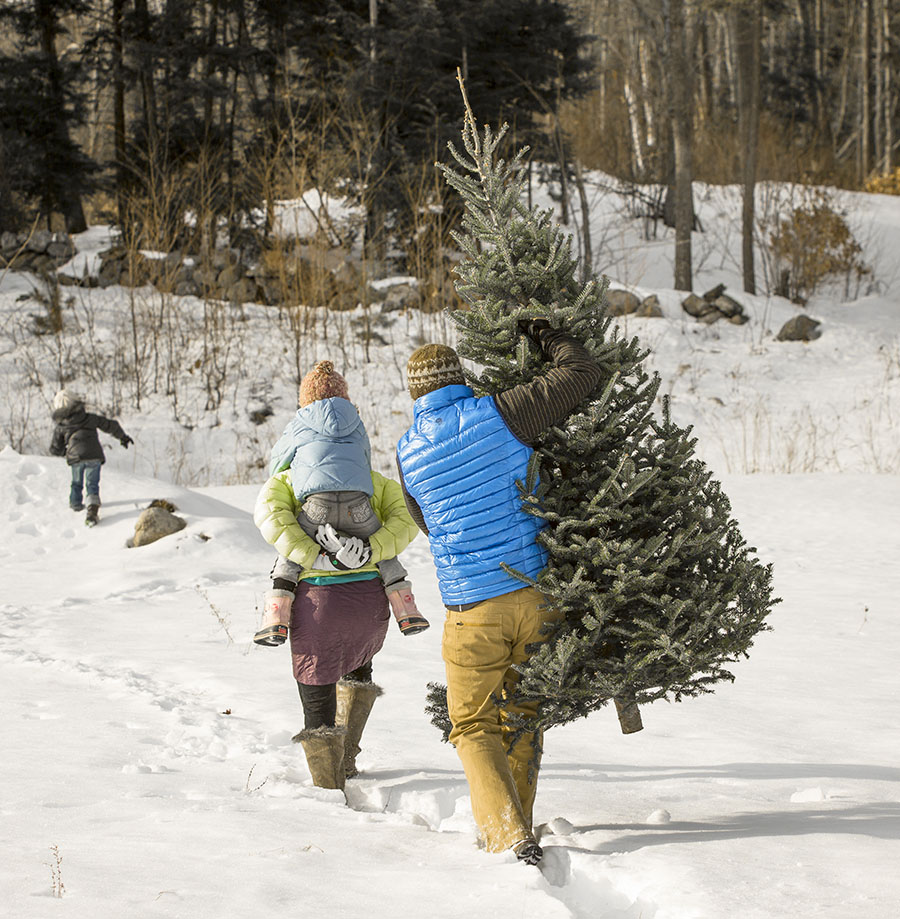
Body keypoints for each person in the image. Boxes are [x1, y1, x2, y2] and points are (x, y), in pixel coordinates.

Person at [395, 321, 602, 865]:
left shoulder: (407, 452)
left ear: (415, 394)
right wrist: (548, 335)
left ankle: (508, 837)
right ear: (459, 379)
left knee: (472, 722)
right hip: (536, 598)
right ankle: (520, 829)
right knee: (524, 712)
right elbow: (582, 374)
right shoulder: (502, 412)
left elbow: (425, 522)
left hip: (471, 608)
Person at [253, 384, 419, 791]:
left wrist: (312, 555)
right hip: (370, 603)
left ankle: (328, 787)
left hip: (318, 605)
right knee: (358, 669)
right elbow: (407, 517)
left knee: (317, 686)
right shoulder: (372, 483)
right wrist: (372, 548)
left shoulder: (290, 480)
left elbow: (271, 517)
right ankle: (347, 759)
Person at [253, 361, 428, 648]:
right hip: (357, 503)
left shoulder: (299, 423)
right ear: (344, 397)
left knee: (291, 557)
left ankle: (275, 618)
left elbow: (278, 461)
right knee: (382, 552)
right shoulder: (356, 422)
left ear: (305, 400)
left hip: (316, 505)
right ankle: (407, 609)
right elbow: (364, 458)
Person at [49, 390, 133, 526]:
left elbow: (55, 449)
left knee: (76, 483)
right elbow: (110, 425)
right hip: (94, 455)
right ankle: (92, 512)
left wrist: (65, 451)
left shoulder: (61, 426)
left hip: (75, 457)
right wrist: (123, 437)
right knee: (92, 484)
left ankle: (75, 506)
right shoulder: (90, 418)